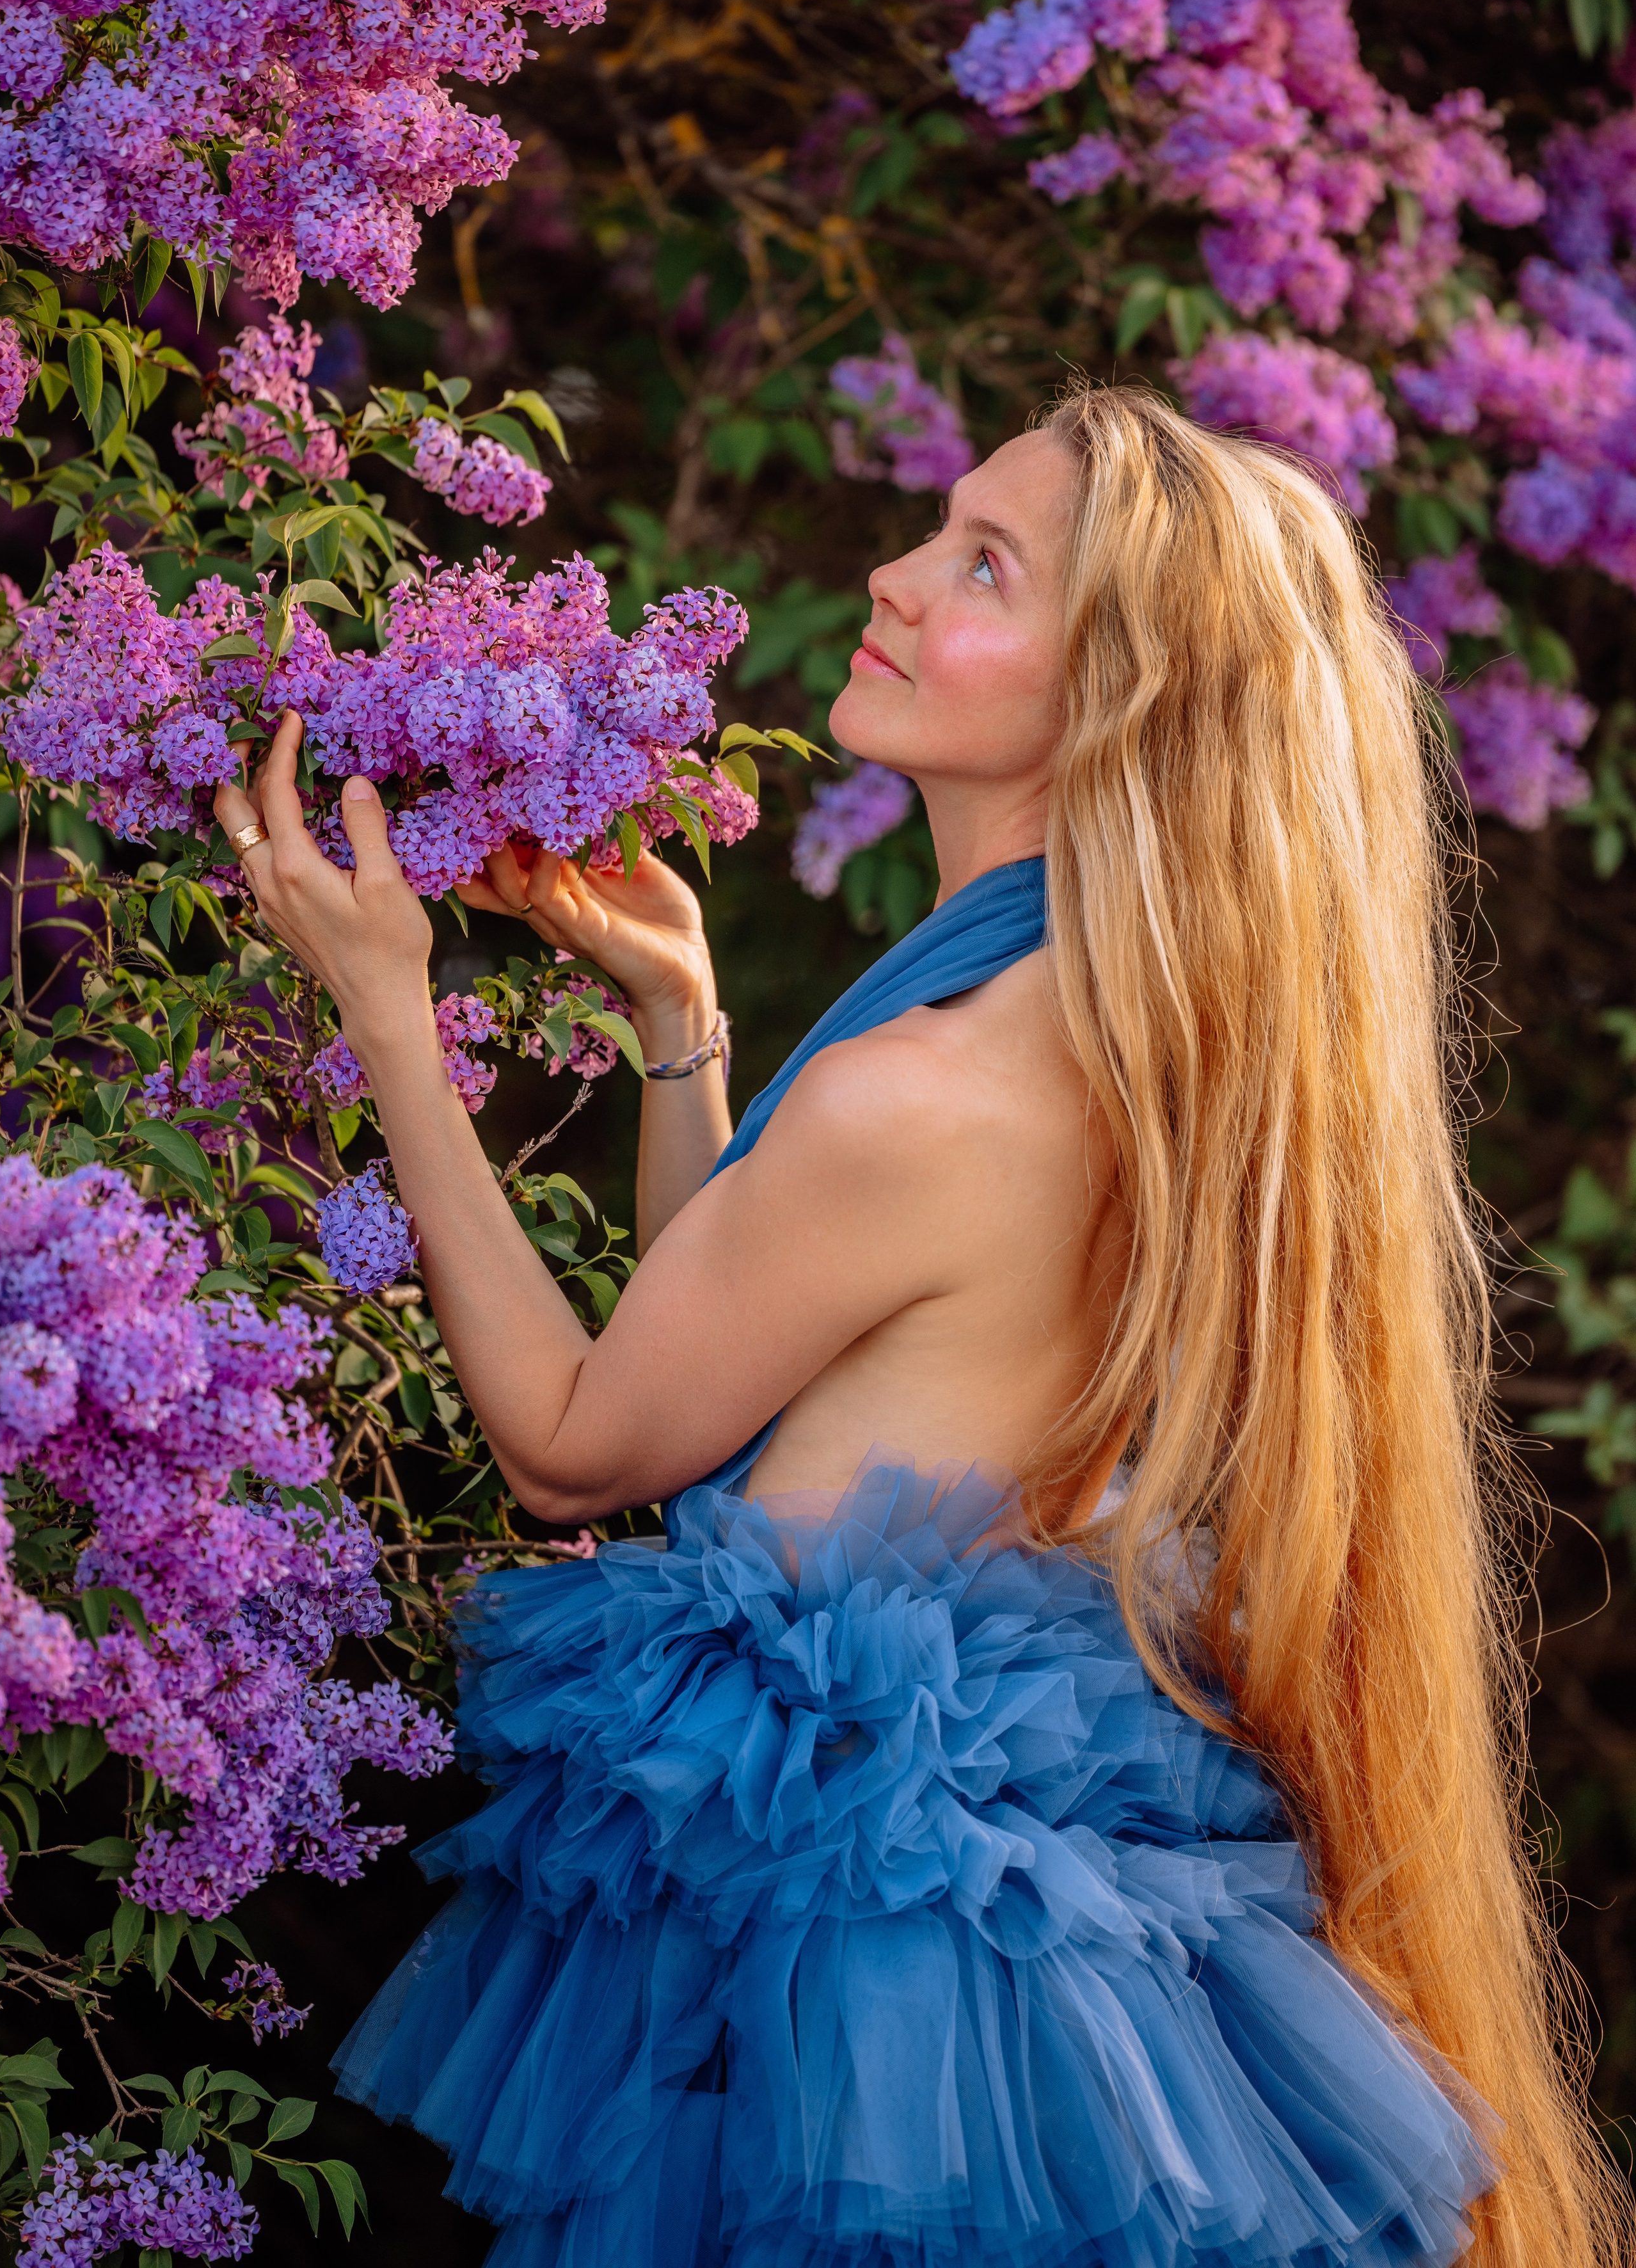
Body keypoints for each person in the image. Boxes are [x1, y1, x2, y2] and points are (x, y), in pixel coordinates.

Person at [215, 383, 1624, 2268]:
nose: (886, 576)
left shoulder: (935, 1088)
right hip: (997, 1911)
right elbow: (751, 1358)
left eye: (982, 565)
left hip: (861, 1950)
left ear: (1107, 689)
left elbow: (578, 1441)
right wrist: (678, 1019)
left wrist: (388, 1008)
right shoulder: (1136, 1030)